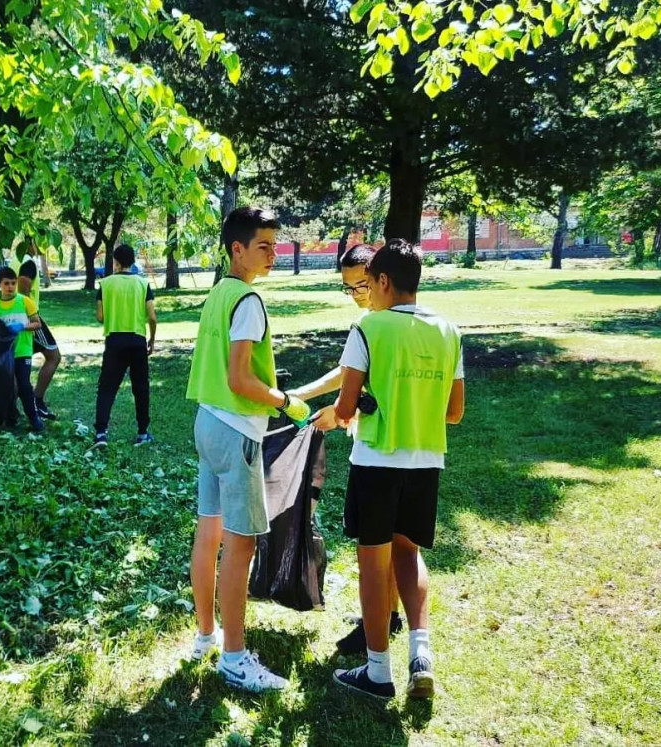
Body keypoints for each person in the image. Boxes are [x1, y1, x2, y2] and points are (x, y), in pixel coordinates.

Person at [327, 239, 465, 701]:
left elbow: (344, 407)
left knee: (373, 563)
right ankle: (421, 656)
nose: (368, 293)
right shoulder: (447, 330)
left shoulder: (369, 328)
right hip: (425, 462)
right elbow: (454, 412)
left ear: (383, 281)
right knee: (409, 554)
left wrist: (360, 405)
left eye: (369, 284)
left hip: (376, 463)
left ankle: (377, 671)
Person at [185, 206, 311, 693]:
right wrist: (285, 401)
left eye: (275, 245)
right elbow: (240, 378)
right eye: (264, 246)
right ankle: (235, 659)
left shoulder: (220, 292)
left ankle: (206, 637)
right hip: (236, 431)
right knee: (240, 546)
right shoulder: (249, 300)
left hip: (208, 424)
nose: (273, 254)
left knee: (209, 532)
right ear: (237, 249)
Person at [287, 244, 406, 654]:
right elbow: (348, 374)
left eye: (361, 286)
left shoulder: (380, 325)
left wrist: (340, 413)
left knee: (377, 547)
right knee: (392, 543)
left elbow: (366, 395)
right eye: (348, 288)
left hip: (383, 452)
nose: (356, 295)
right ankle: (388, 614)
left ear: (380, 278)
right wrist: (301, 394)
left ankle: (380, 625)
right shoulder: (381, 322)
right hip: (402, 450)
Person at [90, 243, 157, 449]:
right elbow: (152, 317)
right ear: (133, 261)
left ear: (116, 262)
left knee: (107, 388)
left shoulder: (106, 284)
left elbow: (100, 317)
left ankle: (101, 433)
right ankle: (142, 433)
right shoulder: (143, 284)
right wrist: (152, 340)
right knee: (141, 388)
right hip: (137, 341)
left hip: (114, 341)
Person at [0, 266, 45, 432]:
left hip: (23, 350)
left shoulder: (25, 301)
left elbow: (37, 323)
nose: (10, 287)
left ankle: (33, 417)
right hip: (4, 353)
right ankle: (10, 417)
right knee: (7, 386)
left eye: (13, 283)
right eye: (6, 283)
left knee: (24, 385)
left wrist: (22, 326)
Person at [16, 239, 61, 421]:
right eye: (41, 242)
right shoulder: (28, 263)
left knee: (17, 362)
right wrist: (30, 316)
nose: (44, 246)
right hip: (28, 318)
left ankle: (11, 407)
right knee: (54, 356)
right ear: (31, 242)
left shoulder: (16, 259)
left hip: (16, 318)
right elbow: (23, 285)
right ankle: (37, 401)